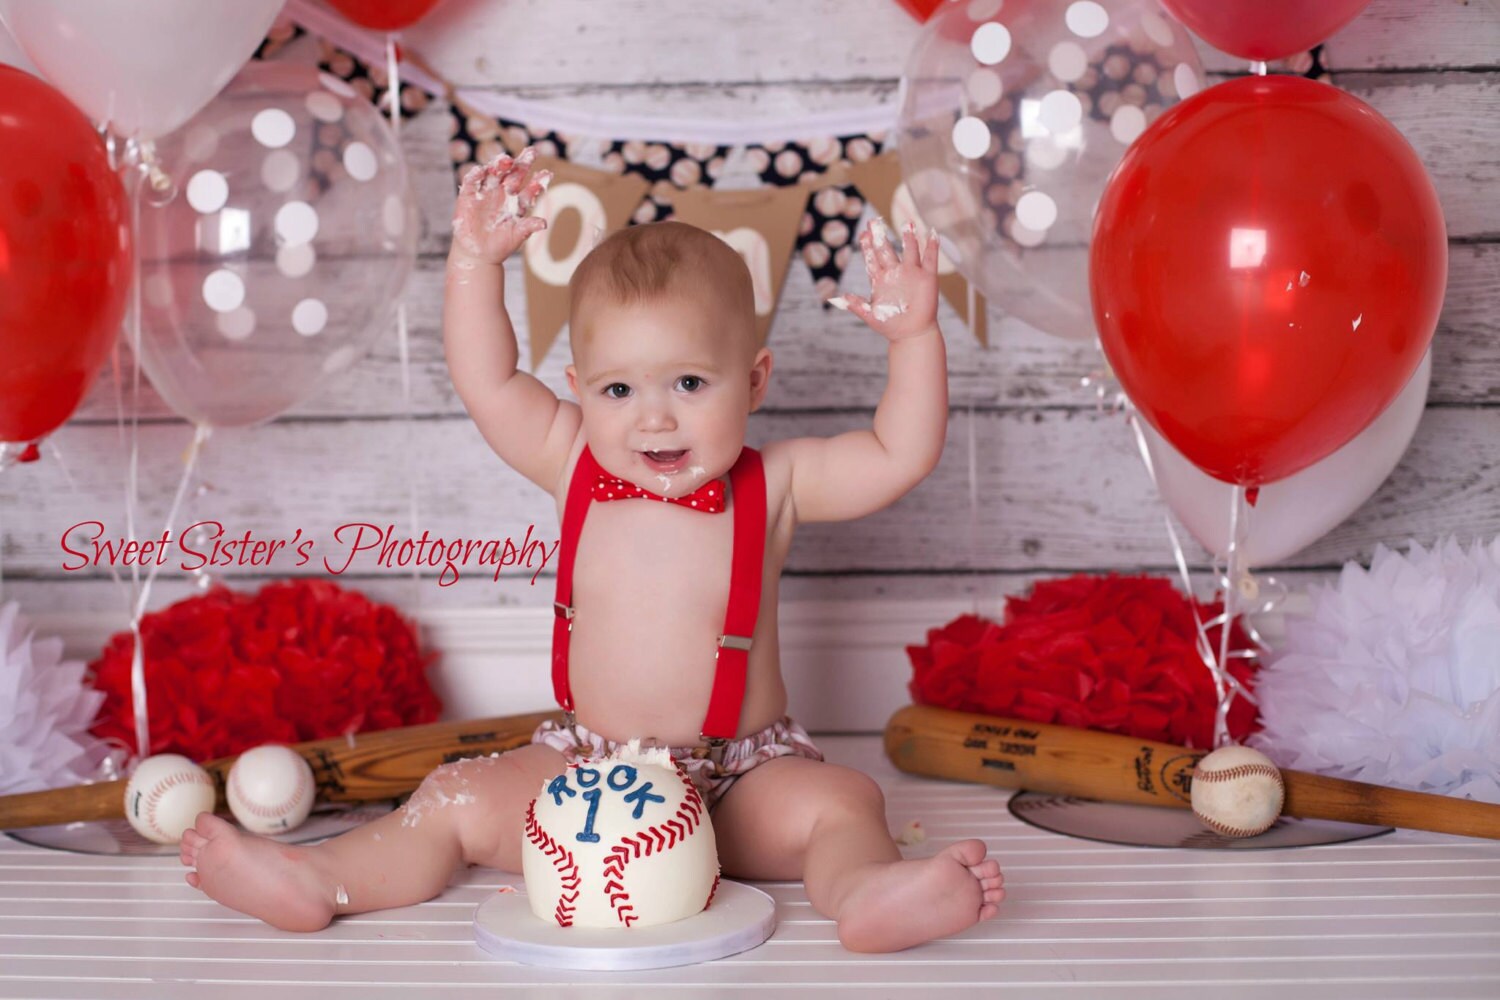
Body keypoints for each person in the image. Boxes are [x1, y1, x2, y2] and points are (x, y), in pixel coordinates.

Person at [180, 147, 1003, 953]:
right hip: (586, 771)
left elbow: (899, 453)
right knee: (452, 796)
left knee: (843, 800)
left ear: (754, 381)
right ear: (578, 388)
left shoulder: (777, 483)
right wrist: (474, 260)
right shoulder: (570, 456)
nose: (654, 418)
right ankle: (320, 879)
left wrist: (915, 337)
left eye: (689, 383)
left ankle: (866, 893)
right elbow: (487, 378)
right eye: (619, 389)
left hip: (737, 777)